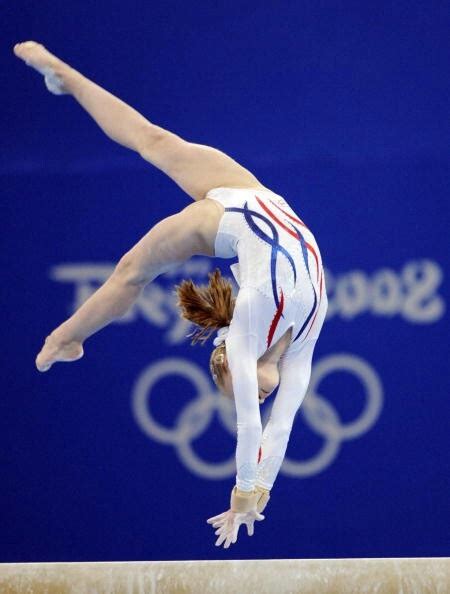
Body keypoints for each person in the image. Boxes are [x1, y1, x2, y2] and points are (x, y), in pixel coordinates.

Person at [14, 41, 328, 549]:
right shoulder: (294, 339)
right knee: (152, 145)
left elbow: (263, 425)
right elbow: (269, 423)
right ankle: (65, 76)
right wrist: (249, 496)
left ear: (227, 359)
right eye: (249, 388)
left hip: (237, 212)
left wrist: (248, 494)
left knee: (131, 268)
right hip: (245, 206)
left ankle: (65, 337)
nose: (260, 394)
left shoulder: (256, 331)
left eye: (244, 386)